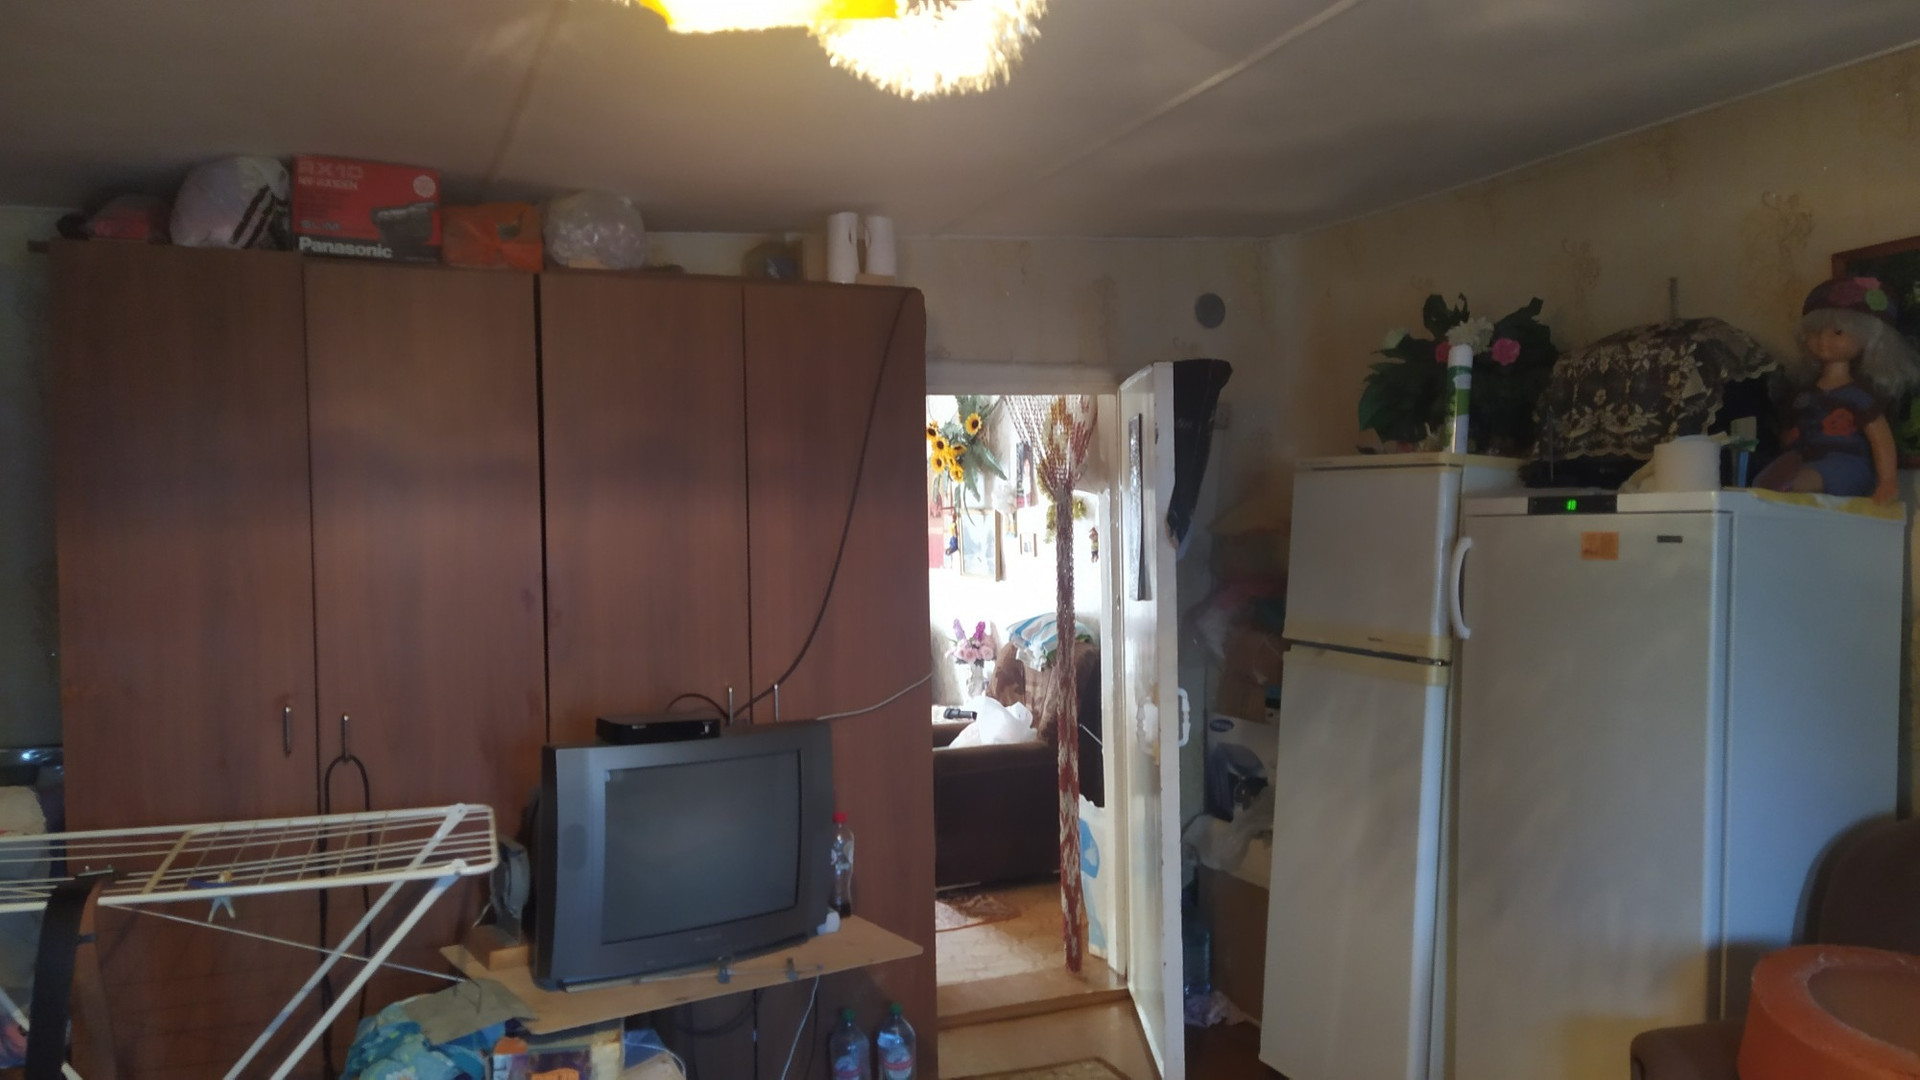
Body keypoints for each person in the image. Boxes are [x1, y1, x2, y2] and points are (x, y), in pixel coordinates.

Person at [1754, 277, 1920, 503]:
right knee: (1766, 479)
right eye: (1815, 332)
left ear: (1867, 338)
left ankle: (1788, 487)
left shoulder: (1859, 396)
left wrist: (1887, 482)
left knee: (1804, 478)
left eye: (1838, 332)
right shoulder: (1804, 394)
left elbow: (1880, 437)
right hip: (1803, 461)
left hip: (1846, 464)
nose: (1823, 340)